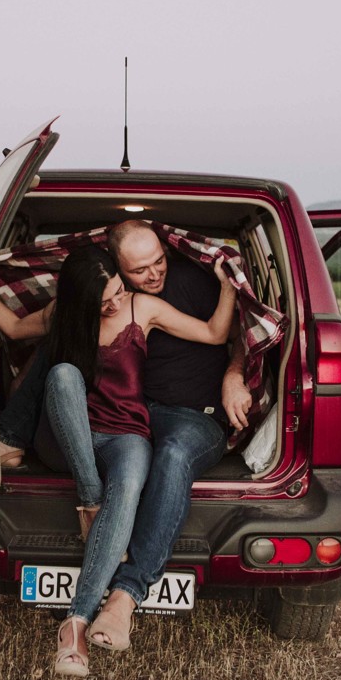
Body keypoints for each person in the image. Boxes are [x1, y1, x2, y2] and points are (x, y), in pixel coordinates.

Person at [0, 245, 236, 677]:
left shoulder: (142, 307)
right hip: (68, 439)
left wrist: (229, 287)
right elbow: (10, 327)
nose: (117, 302)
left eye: (119, 290)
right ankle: (90, 500)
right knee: (62, 373)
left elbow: (215, 333)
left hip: (126, 435)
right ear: (82, 300)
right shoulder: (62, 314)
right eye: (105, 301)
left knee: (130, 482)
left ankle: (76, 625)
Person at [81, 220, 252, 651]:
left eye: (159, 261)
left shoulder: (192, 280)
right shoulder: (107, 298)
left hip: (196, 418)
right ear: (117, 268)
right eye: (140, 270)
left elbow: (236, 336)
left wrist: (233, 376)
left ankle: (125, 595)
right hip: (136, 415)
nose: (155, 273)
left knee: (173, 453)